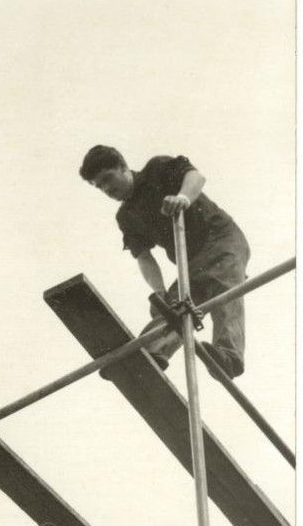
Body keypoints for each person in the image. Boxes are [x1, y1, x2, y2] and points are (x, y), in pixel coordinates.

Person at [79, 145, 250, 378]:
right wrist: (160, 293)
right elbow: (143, 256)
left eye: (108, 178)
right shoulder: (126, 216)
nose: (107, 188)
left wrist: (183, 198)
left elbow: (196, 176)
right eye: (100, 186)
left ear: (122, 166)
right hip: (191, 261)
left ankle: (228, 357)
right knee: (173, 306)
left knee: (224, 290)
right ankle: (148, 355)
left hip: (220, 238)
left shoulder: (156, 169)